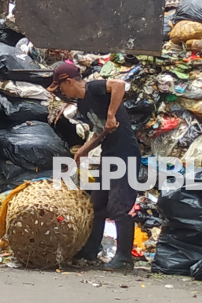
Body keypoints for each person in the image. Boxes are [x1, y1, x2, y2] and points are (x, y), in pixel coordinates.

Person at [49, 62, 141, 270]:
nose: (61, 92)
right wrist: (85, 149)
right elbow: (101, 131)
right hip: (109, 154)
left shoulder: (94, 88)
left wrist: (111, 114)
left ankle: (125, 257)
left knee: (120, 205)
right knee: (97, 205)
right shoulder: (82, 106)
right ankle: (90, 250)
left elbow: (119, 84)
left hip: (125, 153)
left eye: (61, 87)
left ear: (69, 81)